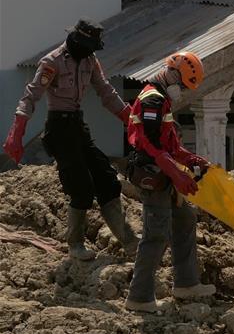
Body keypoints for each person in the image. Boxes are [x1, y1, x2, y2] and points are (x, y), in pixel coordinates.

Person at [2, 18, 138, 260]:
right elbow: (30, 97)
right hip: (59, 129)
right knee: (81, 187)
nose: (89, 52)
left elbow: (106, 92)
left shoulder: (90, 61)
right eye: (87, 47)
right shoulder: (52, 62)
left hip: (78, 125)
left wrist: (132, 121)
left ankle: (129, 241)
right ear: (76, 40)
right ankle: (75, 244)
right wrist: (17, 131)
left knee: (107, 179)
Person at [124, 51, 216, 312]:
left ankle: (186, 283)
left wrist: (193, 161)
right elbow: (152, 147)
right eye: (184, 85)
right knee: (156, 234)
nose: (183, 91)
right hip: (152, 174)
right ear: (173, 75)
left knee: (185, 219)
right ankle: (139, 298)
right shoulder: (152, 100)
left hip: (163, 172)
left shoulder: (162, 100)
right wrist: (178, 175)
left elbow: (171, 146)